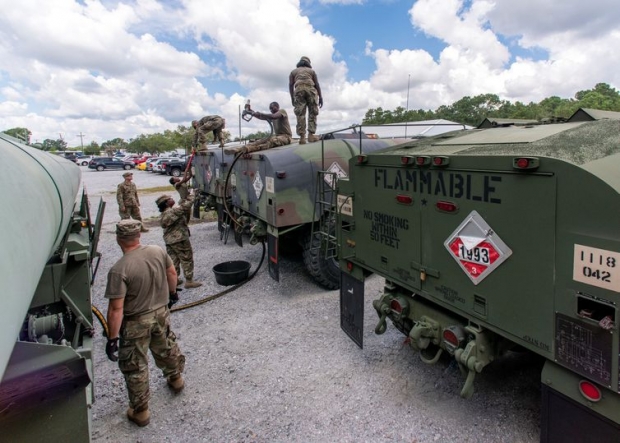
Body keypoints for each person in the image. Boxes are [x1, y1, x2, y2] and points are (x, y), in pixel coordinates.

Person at [104, 219, 185, 427]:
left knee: (135, 365)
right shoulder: (157, 251)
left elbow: (116, 309)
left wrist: (112, 338)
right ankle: (176, 379)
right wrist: (172, 293)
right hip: (161, 313)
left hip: (135, 322)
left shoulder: (119, 269)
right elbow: (172, 273)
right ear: (139, 235)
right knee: (166, 347)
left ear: (118, 239)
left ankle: (141, 412)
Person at [156, 192, 202, 289]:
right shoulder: (172, 212)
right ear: (166, 203)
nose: (172, 199)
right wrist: (193, 194)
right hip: (179, 239)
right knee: (186, 259)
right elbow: (186, 206)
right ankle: (189, 281)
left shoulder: (164, 214)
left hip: (170, 241)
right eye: (170, 199)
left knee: (174, 260)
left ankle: (175, 280)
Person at [224, 102, 292, 155]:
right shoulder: (272, 116)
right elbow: (262, 117)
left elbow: (273, 116)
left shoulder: (282, 111)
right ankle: (238, 149)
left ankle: (249, 148)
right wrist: (251, 112)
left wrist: (259, 113)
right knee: (262, 140)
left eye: (272, 108)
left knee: (271, 142)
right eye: (270, 109)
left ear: (277, 107)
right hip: (277, 136)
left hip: (286, 137)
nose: (271, 110)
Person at [289, 56, 323, 144]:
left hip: (299, 89)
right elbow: (317, 84)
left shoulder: (293, 72)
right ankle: (311, 135)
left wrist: (292, 97)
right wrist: (321, 97)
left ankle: (302, 137)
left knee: (300, 114)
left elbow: (290, 85)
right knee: (313, 112)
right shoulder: (312, 71)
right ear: (308, 63)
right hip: (311, 89)